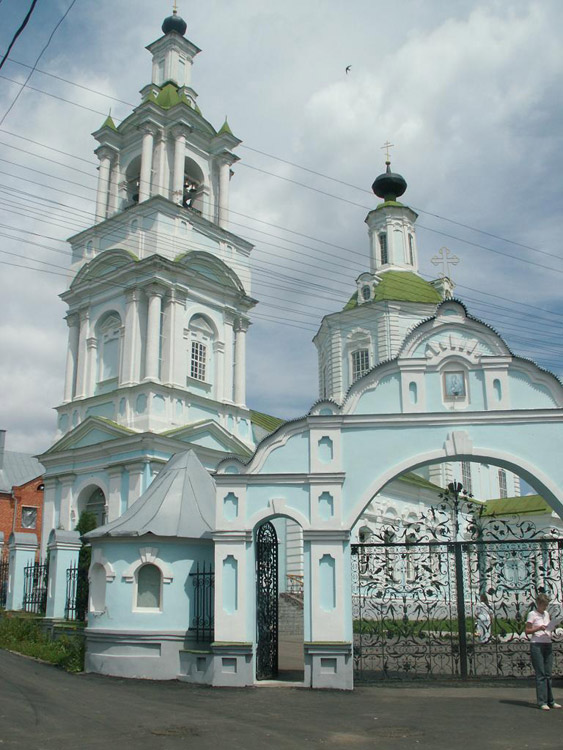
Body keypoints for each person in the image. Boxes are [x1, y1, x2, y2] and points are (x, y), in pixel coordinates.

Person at [525, 593, 561, 710]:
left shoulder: (546, 614)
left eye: (547, 605)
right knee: (540, 674)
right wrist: (538, 628)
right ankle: (542, 701)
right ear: (539, 604)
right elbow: (527, 630)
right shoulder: (532, 614)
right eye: (544, 605)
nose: (545, 607)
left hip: (547, 643)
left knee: (548, 674)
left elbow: (548, 626)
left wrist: (552, 627)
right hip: (537, 644)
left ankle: (551, 700)